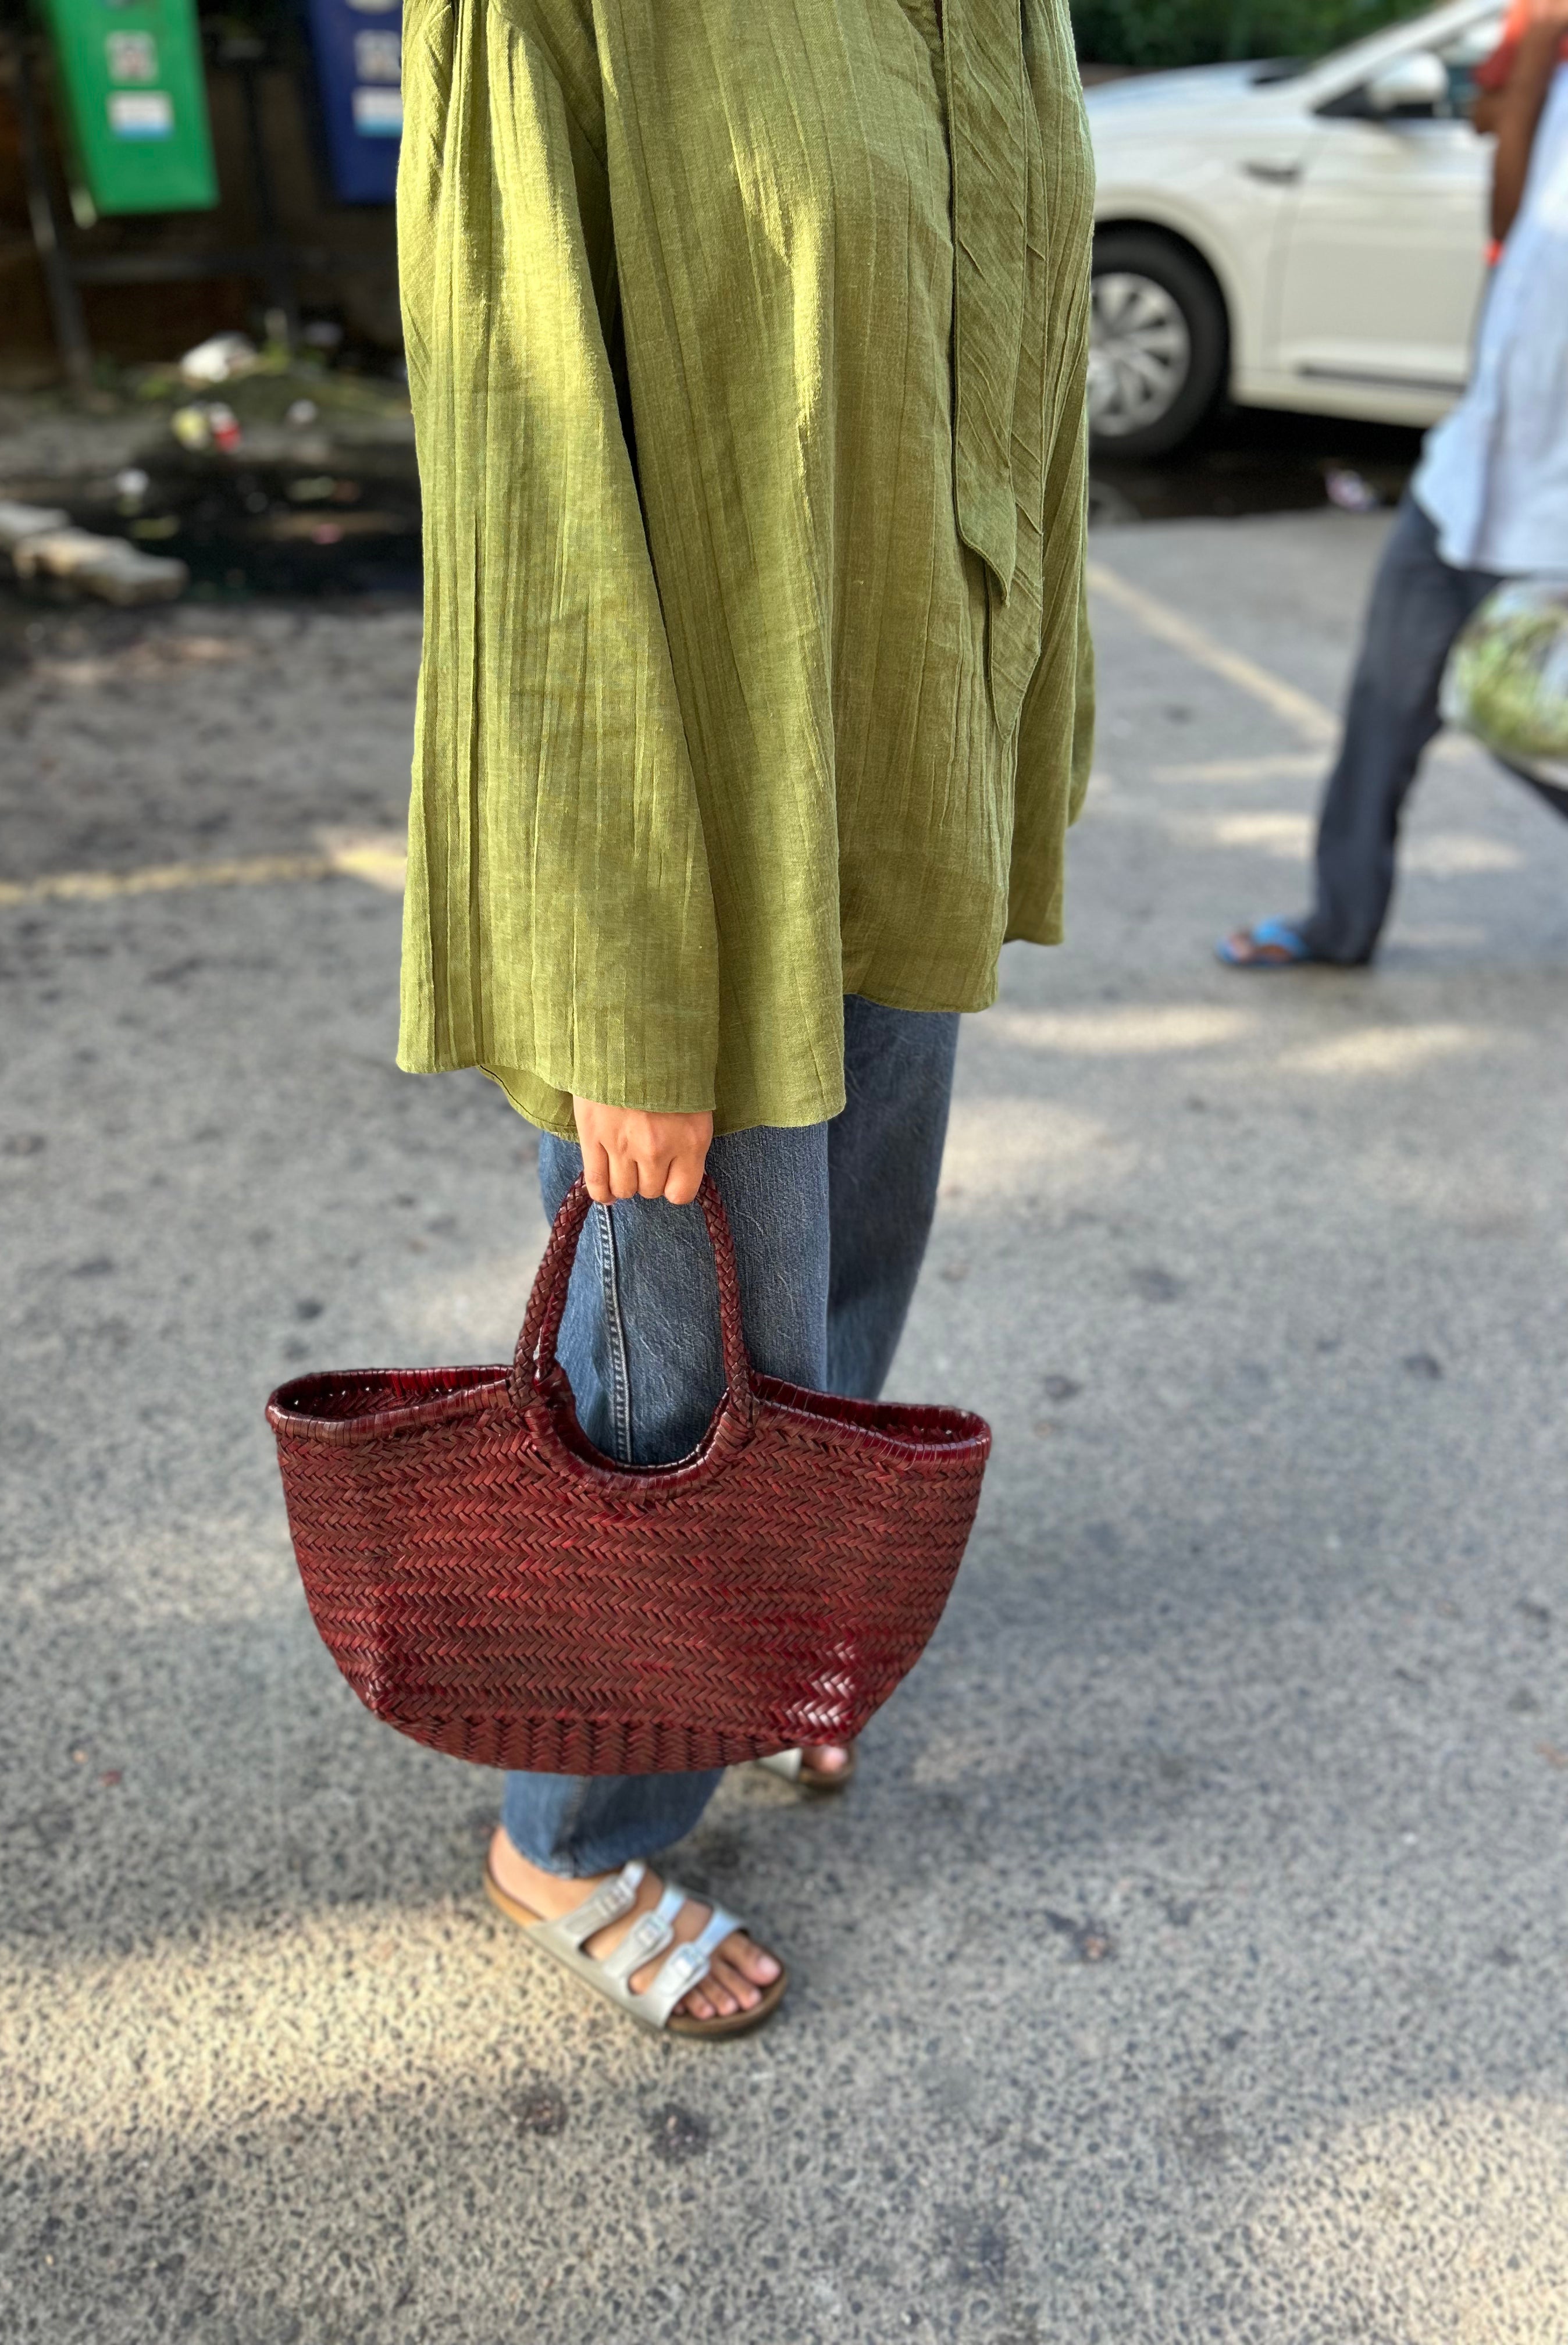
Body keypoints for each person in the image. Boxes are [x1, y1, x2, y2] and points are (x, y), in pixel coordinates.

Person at [395, 0, 1094, 2033]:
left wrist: (1007, 726)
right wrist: (613, 974)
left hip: (889, 755)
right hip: (693, 807)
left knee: (850, 1266)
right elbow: (525, 475)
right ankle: (572, 1830)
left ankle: (780, 1627)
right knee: (682, 1342)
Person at [1218, 0, 1568, 970]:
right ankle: (1339, 926)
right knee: (1384, 712)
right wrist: (1536, 56)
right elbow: (1508, 230)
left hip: (1553, 525)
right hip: (1467, 479)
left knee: (1528, 725)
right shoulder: (1553, 84)